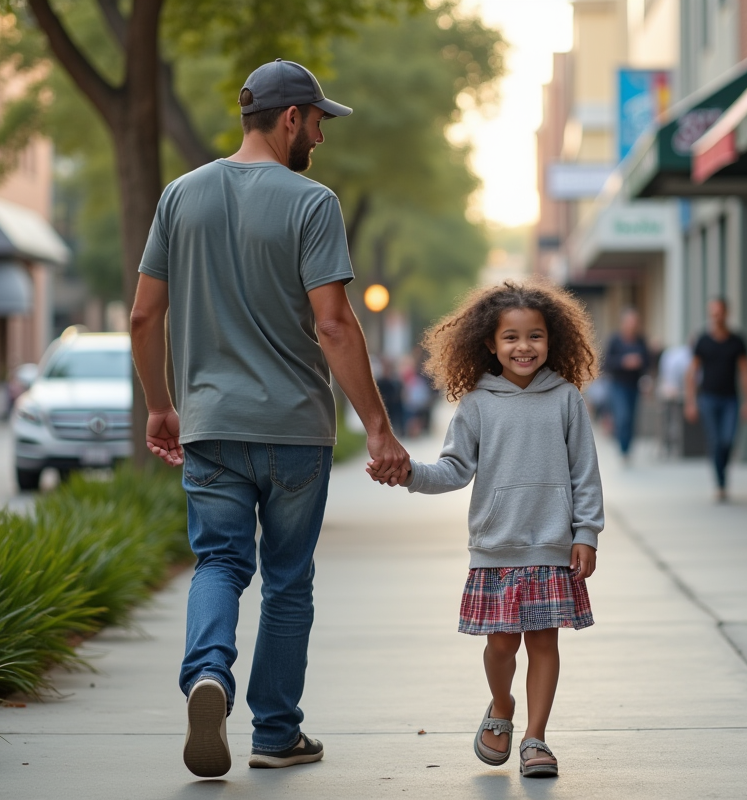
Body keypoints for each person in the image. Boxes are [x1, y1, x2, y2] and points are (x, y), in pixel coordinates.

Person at [130, 59, 410, 780]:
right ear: (290, 118)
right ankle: (275, 732)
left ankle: (207, 677)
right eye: (318, 121)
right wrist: (377, 427)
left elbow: (142, 315)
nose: (320, 135)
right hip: (293, 432)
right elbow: (336, 327)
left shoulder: (179, 197)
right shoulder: (312, 203)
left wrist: (161, 405)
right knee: (287, 579)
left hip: (211, 426)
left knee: (219, 561)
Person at [369, 280, 603, 779]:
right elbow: (453, 470)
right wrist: (410, 473)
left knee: (544, 643)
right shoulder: (476, 404)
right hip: (496, 549)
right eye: (512, 337)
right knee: (501, 645)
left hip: (552, 547)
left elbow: (585, 473)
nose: (524, 347)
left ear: (552, 341)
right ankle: (501, 704)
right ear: (490, 344)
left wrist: (586, 532)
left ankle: (536, 739)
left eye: (535, 336)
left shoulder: (566, 399)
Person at [685, 297, 747, 501]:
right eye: (712, 313)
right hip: (708, 399)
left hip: (730, 400)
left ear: (726, 313)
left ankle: (722, 476)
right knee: (715, 442)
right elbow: (691, 373)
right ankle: (721, 483)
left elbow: (746, 372)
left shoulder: (737, 341)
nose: (716, 316)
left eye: (719, 312)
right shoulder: (703, 341)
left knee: (727, 440)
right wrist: (690, 402)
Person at [603, 309, 649, 461]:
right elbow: (606, 363)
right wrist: (624, 362)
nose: (633, 325)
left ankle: (628, 448)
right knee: (622, 416)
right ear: (623, 323)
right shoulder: (615, 340)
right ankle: (623, 448)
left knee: (631, 417)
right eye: (630, 322)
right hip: (618, 384)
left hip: (634, 384)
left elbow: (647, 361)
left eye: (635, 322)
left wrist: (641, 367)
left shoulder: (640, 340)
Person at [656, 339, 693, 457]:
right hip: (671, 390)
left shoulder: (686, 357)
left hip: (677, 390)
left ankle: (673, 443)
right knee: (669, 417)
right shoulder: (681, 358)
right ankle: (669, 443)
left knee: (673, 417)